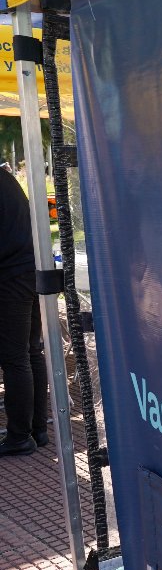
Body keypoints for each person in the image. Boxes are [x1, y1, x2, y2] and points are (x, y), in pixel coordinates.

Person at [0, 163, 49, 457]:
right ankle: (37, 430)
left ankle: (20, 437)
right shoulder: (6, 179)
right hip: (30, 269)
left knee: (15, 357)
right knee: (30, 352)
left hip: (11, 276)